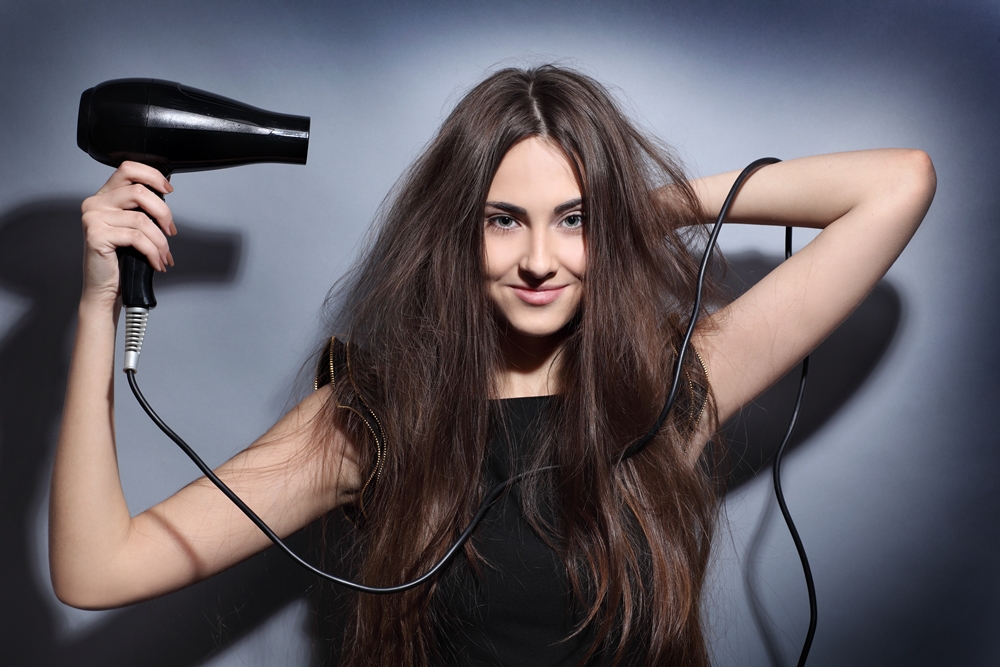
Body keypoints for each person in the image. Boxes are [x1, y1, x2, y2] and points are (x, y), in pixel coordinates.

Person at [50, 65, 935, 666]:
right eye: (505, 218)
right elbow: (98, 568)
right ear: (456, 232)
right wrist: (99, 306)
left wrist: (637, 210)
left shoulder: (667, 392)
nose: (541, 258)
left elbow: (899, 183)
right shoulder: (369, 421)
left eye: (573, 220)